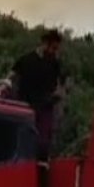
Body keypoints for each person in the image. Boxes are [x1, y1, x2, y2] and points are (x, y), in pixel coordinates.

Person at [11, 29, 68, 159]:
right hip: (26, 108)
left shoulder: (55, 64)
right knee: (24, 143)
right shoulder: (26, 60)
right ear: (45, 44)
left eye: (57, 49)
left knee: (42, 145)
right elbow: (13, 78)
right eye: (53, 48)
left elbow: (61, 85)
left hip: (45, 109)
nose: (55, 52)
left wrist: (58, 95)